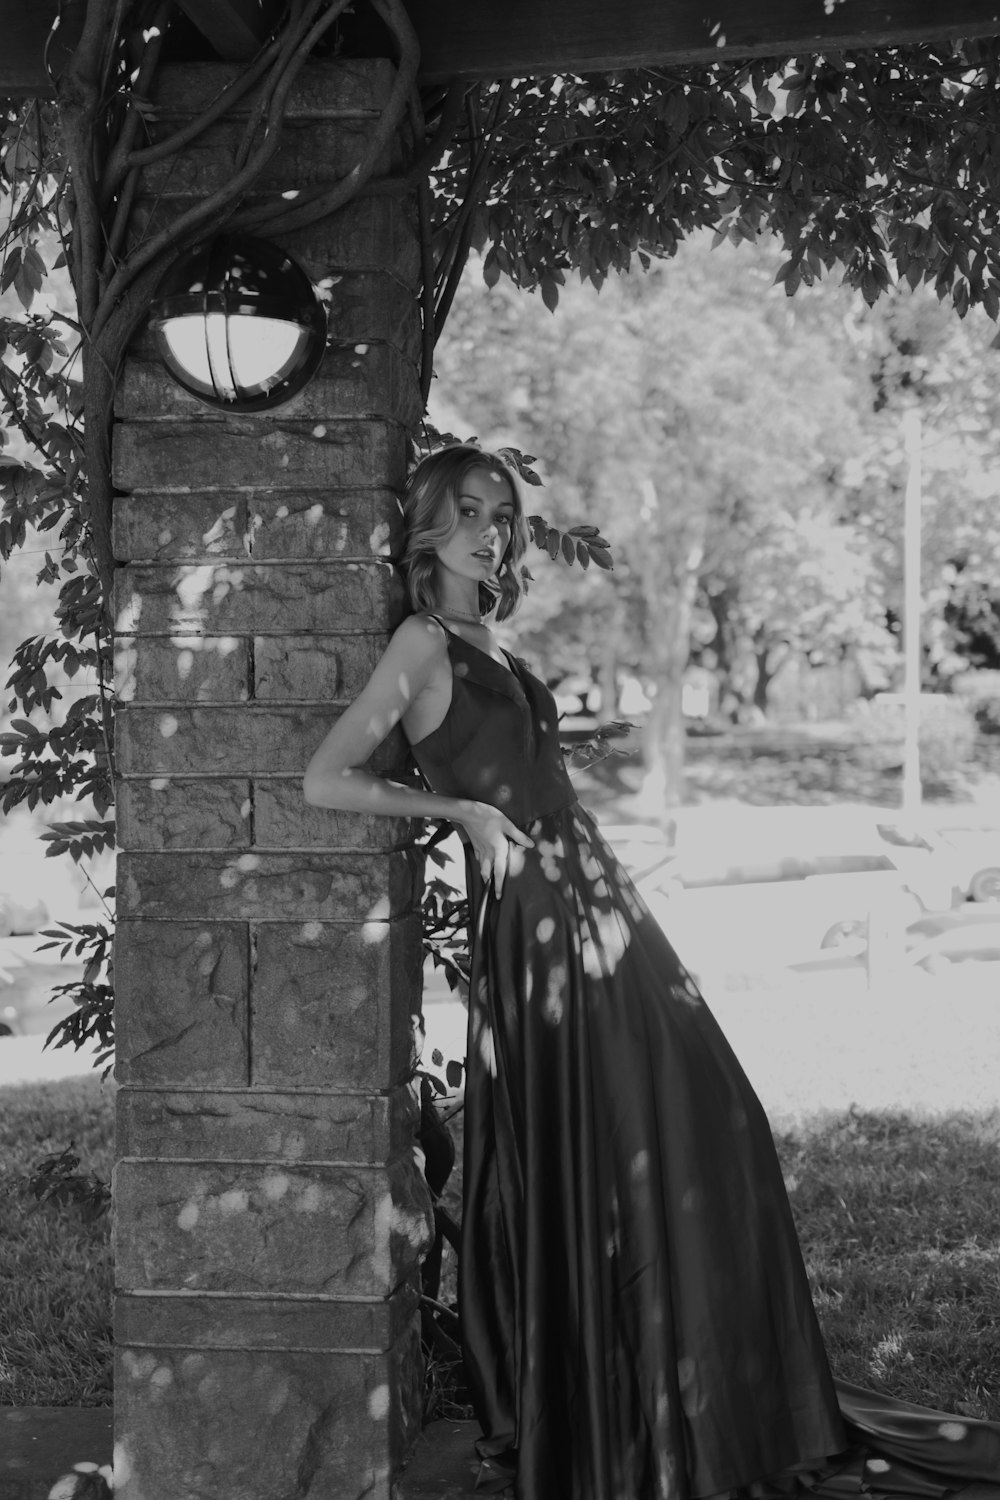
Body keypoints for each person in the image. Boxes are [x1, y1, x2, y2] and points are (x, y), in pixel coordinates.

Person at [304, 444, 1000, 1500]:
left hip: (596, 900)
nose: (491, 530)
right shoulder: (422, 639)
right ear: (427, 527)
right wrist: (457, 811)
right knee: (626, 1130)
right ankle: (629, 1402)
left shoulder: (489, 633)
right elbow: (326, 777)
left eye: (503, 511)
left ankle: (701, 1389)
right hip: (537, 922)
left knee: (705, 1119)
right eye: (468, 512)